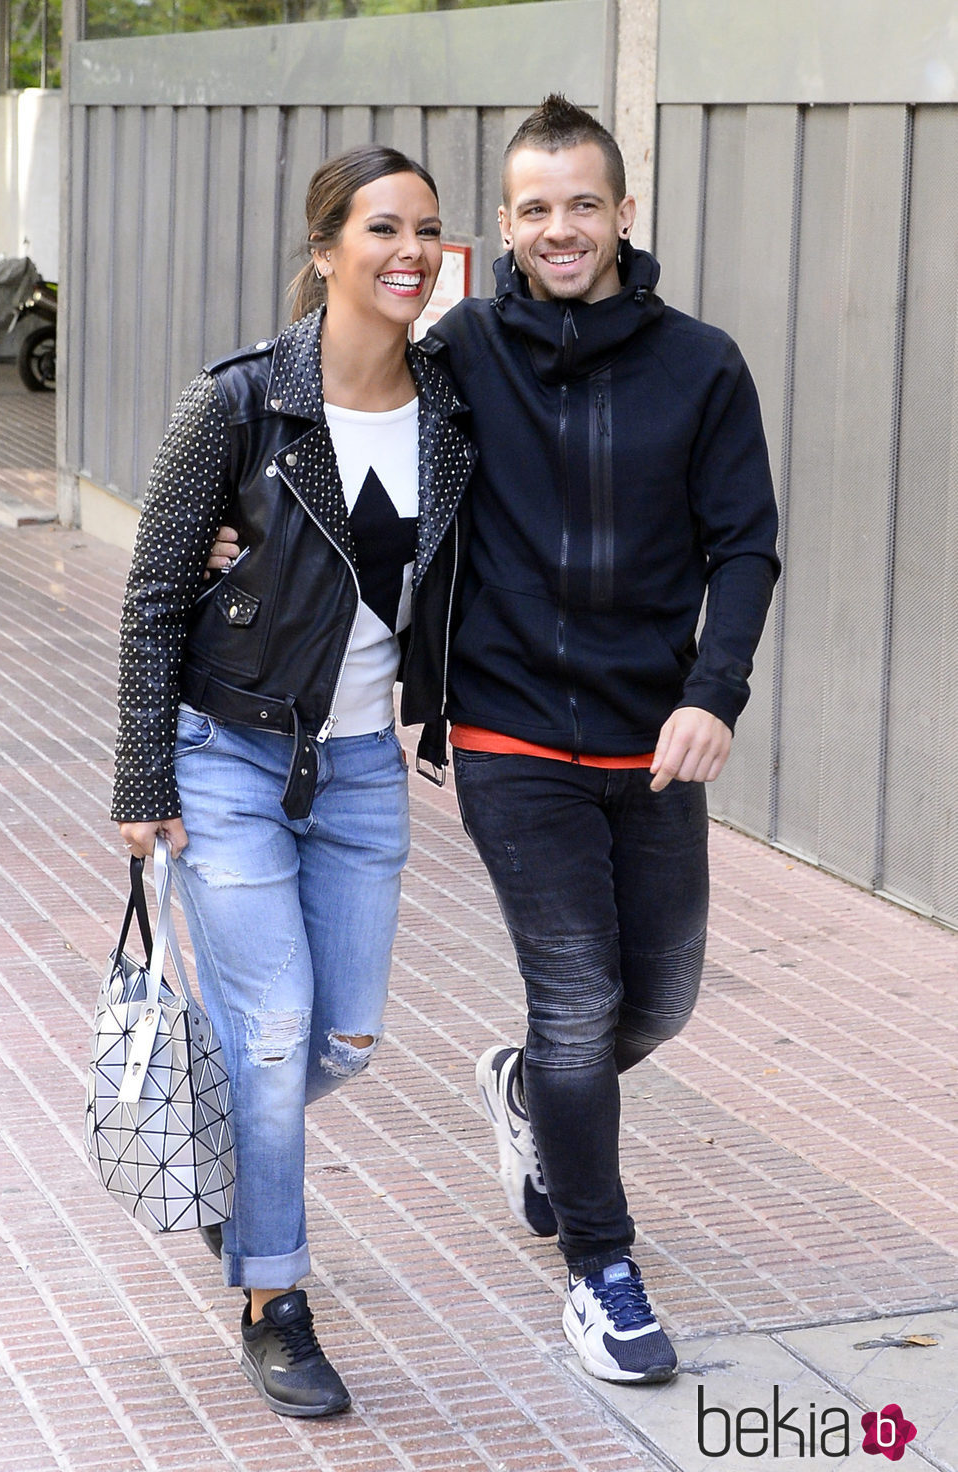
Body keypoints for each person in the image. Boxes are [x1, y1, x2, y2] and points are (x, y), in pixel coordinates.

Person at [209, 96, 780, 1388]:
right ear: (506, 226)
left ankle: (531, 1096)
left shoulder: (705, 367)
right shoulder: (461, 354)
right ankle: (603, 1269)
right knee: (579, 1000)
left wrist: (715, 690)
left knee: (661, 997)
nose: (561, 228)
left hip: (655, 737)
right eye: (534, 208)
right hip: (510, 728)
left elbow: (747, 543)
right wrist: (226, 527)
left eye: (585, 204)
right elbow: (320, 400)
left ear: (625, 215)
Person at [112, 143, 474, 1419]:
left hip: (363, 760)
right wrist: (140, 775)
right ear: (325, 249)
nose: (409, 250)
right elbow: (156, 593)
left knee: (338, 1040)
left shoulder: (450, 404)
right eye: (381, 227)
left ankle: (234, 1142)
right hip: (226, 752)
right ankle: (275, 1295)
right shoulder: (243, 402)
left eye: (427, 229)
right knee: (271, 1036)